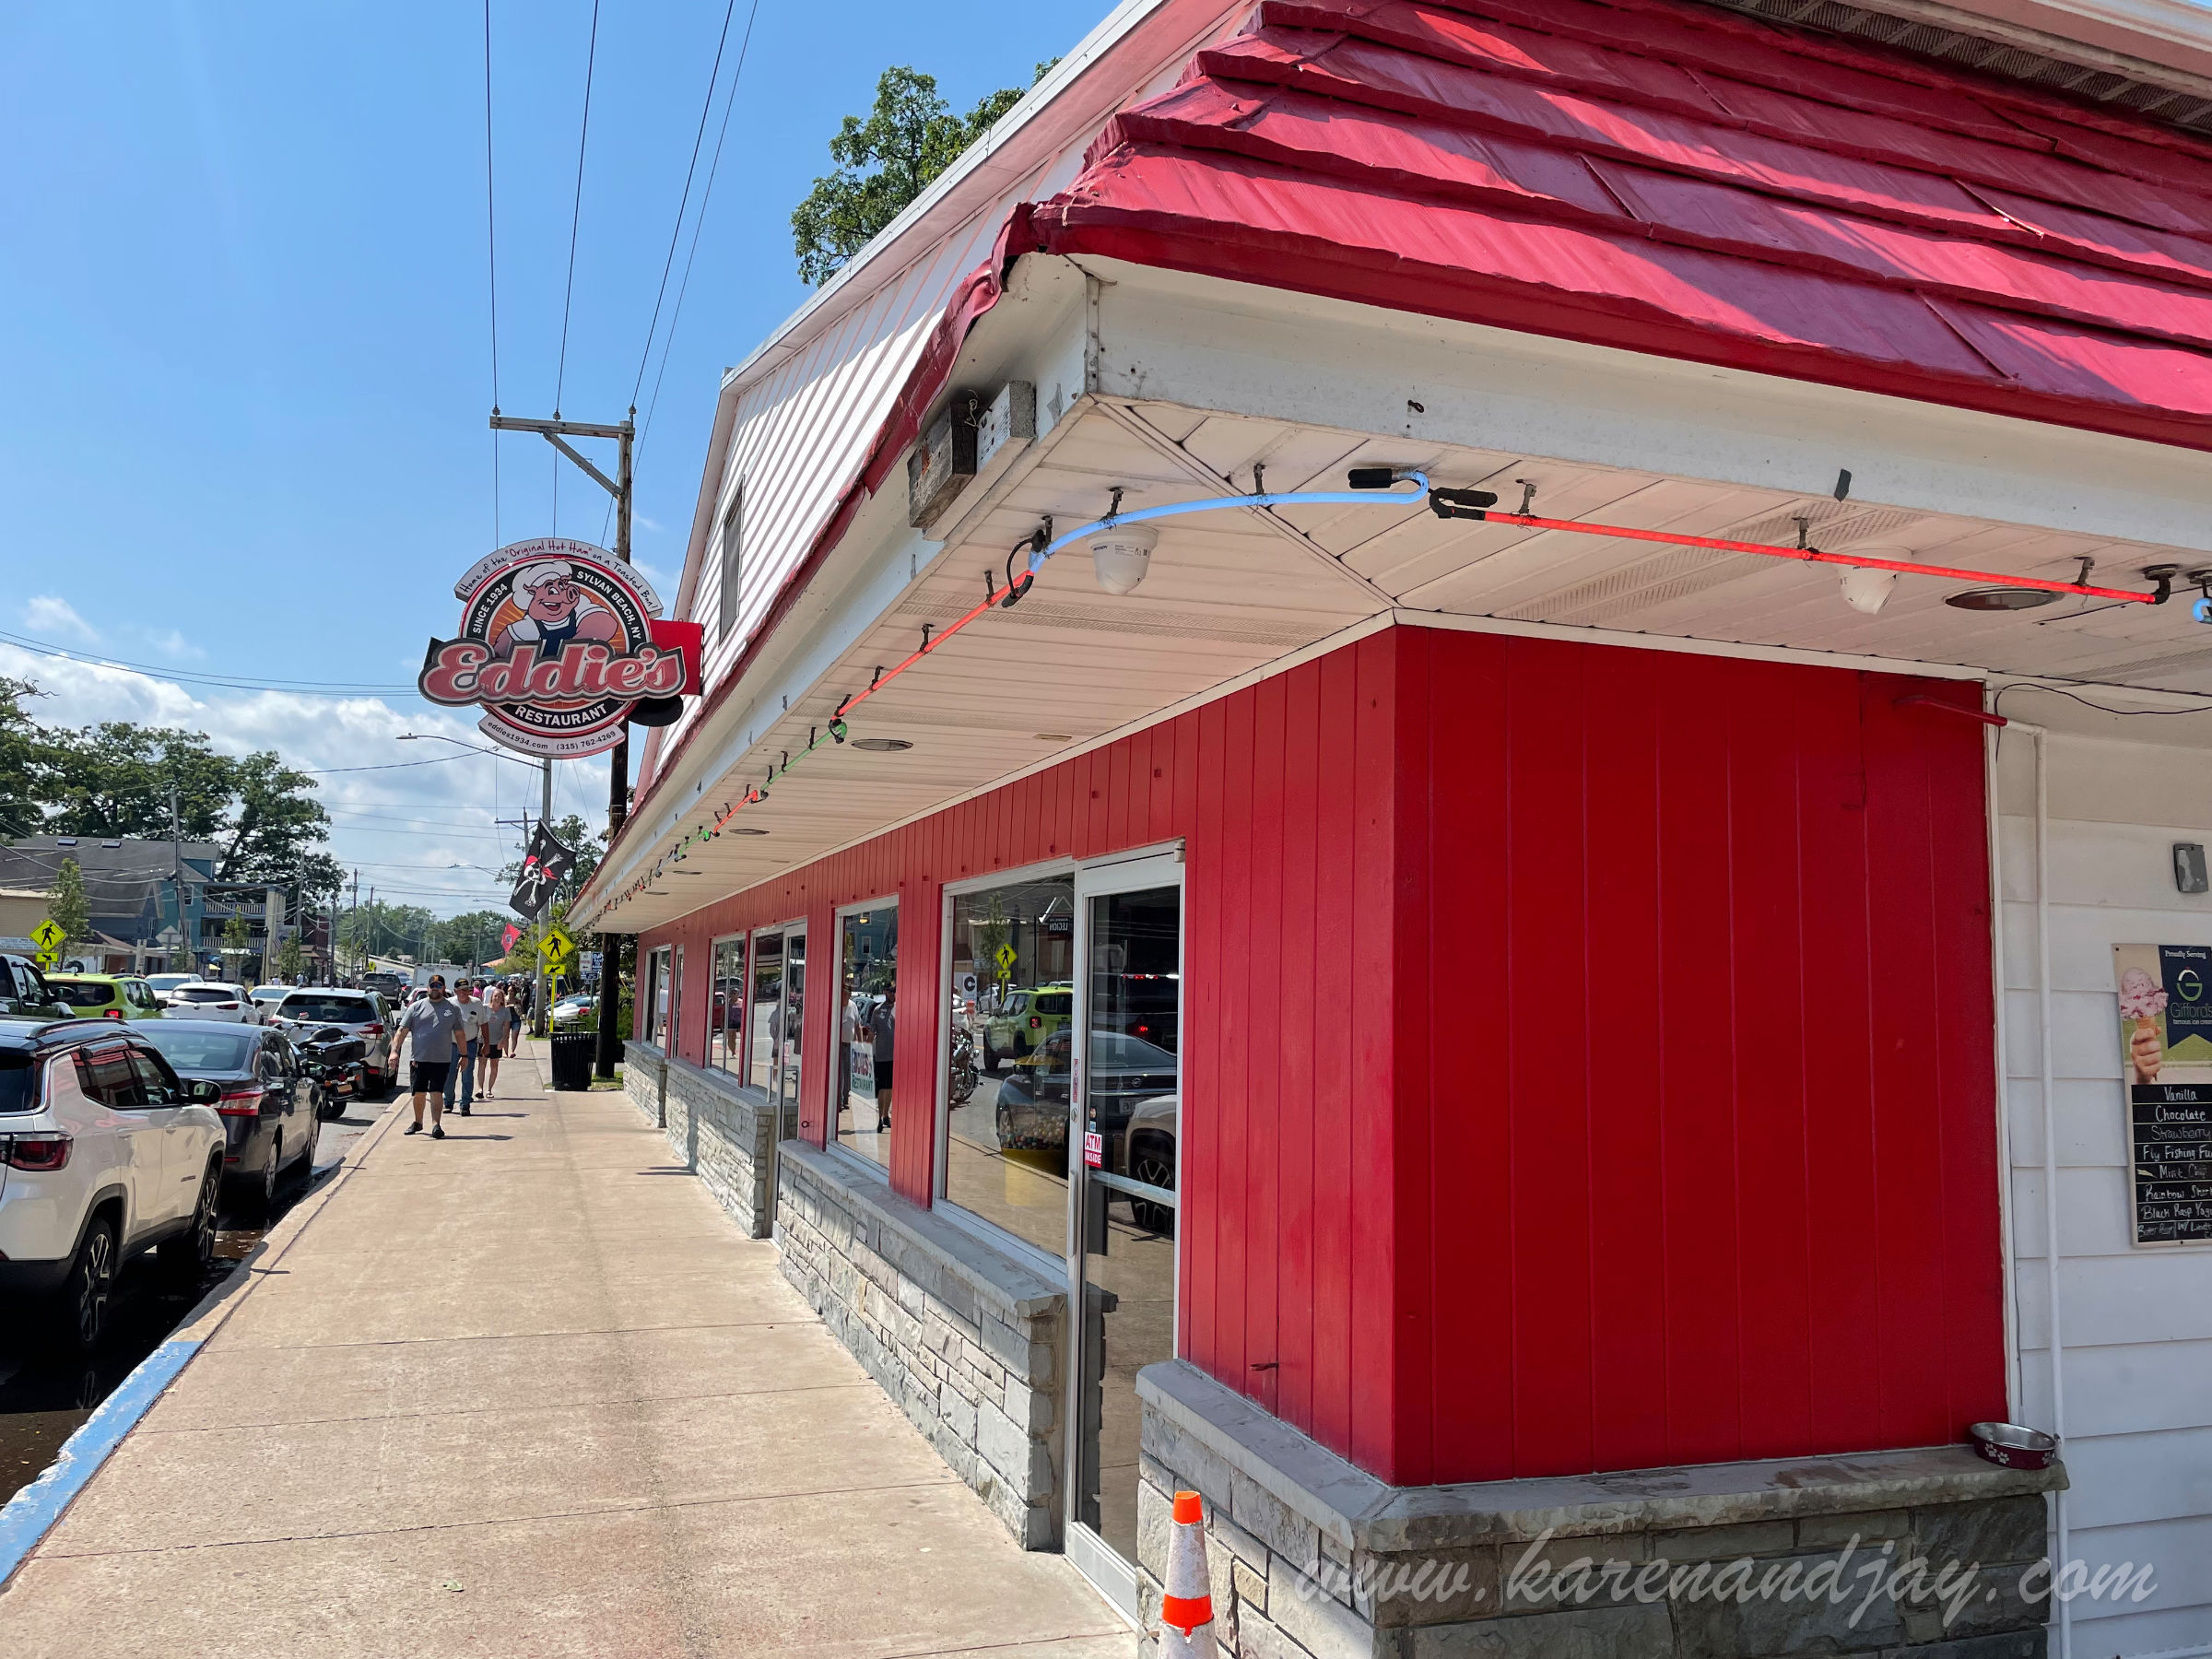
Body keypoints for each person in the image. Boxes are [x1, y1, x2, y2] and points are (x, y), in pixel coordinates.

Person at [390, 974, 465, 1139]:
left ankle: (436, 1125)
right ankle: (418, 1122)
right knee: (419, 1093)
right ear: (428, 987)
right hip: (419, 1059)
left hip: (442, 1059)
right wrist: (394, 1051)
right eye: (433, 985)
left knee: (437, 1092)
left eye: (439, 985)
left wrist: (464, 1055)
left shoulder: (452, 1009)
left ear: (444, 988)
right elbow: (402, 1031)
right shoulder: (416, 1007)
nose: (435, 988)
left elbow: (459, 1034)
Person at [444, 982, 486, 1118]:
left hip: (470, 1044)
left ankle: (465, 1104)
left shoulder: (477, 1003)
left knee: (467, 1074)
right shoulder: (449, 1003)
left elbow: (483, 1024)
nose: (463, 993)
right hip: (452, 1044)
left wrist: (485, 1042)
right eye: (460, 990)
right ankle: (448, 1102)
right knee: (450, 1074)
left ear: (469, 990)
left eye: (465, 990)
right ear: (455, 991)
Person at [480, 984, 510, 1098]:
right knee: (482, 1064)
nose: (496, 998)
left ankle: (489, 1090)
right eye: (495, 996)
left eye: (499, 996)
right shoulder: (485, 1008)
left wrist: (504, 1040)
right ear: (491, 997)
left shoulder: (505, 1011)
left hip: (497, 1042)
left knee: (494, 1066)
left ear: (503, 999)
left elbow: (506, 1028)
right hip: (484, 1041)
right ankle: (480, 1089)